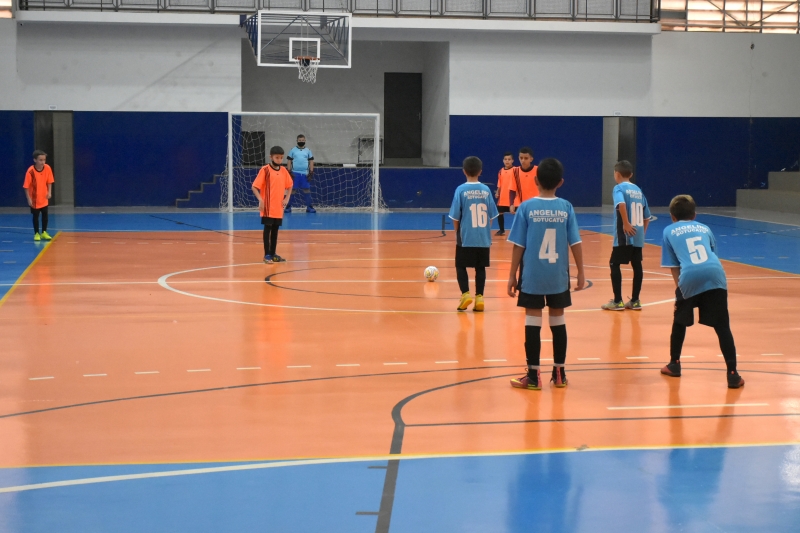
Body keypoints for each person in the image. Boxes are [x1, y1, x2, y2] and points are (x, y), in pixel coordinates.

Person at [507, 158, 585, 390]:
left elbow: (518, 245)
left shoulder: (527, 207)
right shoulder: (566, 207)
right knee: (558, 320)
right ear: (560, 182)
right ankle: (559, 373)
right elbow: (576, 242)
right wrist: (581, 271)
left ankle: (533, 376)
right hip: (558, 276)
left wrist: (512, 275)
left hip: (532, 276)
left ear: (536, 180)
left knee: (533, 321)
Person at [659, 194, 744, 389]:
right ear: (695, 215)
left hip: (689, 276)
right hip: (715, 275)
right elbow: (712, 252)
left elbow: (673, 265)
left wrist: (680, 291)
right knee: (723, 327)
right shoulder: (705, 228)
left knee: (679, 322)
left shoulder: (669, 231)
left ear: (672, 216)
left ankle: (675, 364)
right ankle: (733, 374)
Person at [449, 156, 499, 312]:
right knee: (480, 267)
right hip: (483, 237)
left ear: (464, 171)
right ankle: (480, 297)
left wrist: (458, 232)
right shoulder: (486, 190)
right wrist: (485, 231)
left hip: (466, 236)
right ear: (481, 172)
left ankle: (465, 294)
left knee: (460, 265)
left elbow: (455, 216)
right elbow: (492, 216)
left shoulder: (461, 190)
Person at [601, 160, 652, 311]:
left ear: (616, 174)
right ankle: (635, 300)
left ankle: (618, 301)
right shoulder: (638, 190)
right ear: (631, 174)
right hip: (638, 236)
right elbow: (647, 216)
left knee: (614, 264)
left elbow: (621, 204)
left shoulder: (618, 188)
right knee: (637, 265)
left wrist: (626, 223)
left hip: (625, 235)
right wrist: (642, 233)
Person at [252, 146, 293, 264]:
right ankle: (267, 255)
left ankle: (273, 253)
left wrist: (287, 198)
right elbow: (254, 187)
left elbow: (290, 185)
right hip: (268, 206)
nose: (279, 160)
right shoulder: (265, 170)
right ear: (271, 157)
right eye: (277, 157)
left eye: (281, 158)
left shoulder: (284, 171)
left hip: (279, 207)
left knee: (275, 230)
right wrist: (260, 200)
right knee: (268, 229)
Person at [23, 150, 55, 242]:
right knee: (36, 216)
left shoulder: (47, 168)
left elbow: (50, 181)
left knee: (45, 215)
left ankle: (44, 232)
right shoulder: (30, 171)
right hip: (34, 199)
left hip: (44, 198)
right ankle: (36, 233)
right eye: (40, 160)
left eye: (44, 160)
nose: (42, 162)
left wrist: (49, 192)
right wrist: (29, 199)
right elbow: (26, 186)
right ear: (35, 160)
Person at [285, 134, 316, 213]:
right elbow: (289, 161)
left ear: (305, 141)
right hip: (295, 173)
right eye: (300, 140)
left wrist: (311, 172)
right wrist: (289, 171)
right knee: (292, 190)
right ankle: (288, 207)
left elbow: (311, 161)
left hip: (305, 174)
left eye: (302, 140)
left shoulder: (308, 150)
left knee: (307, 190)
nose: (301, 142)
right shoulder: (292, 150)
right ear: (297, 141)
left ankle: (309, 207)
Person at [494, 152, 518, 236]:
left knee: (517, 214)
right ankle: (501, 230)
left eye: (509, 159)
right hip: (503, 197)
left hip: (514, 197)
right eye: (505, 159)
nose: (507, 161)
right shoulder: (501, 171)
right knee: (500, 212)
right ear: (503, 160)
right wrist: (498, 192)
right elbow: (499, 183)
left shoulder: (516, 170)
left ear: (512, 160)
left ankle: (517, 230)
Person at [509, 147, 539, 212]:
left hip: (535, 205)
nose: (523, 160)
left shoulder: (538, 170)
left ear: (531, 159)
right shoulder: (515, 171)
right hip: (520, 205)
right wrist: (511, 204)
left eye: (526, 158)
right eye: (521, 158)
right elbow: (512, 190)